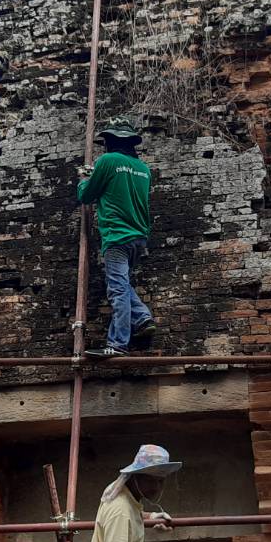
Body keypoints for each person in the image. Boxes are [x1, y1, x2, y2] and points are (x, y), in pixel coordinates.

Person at [76, 116, 156, 359]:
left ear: (109, 142)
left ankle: (119, 343)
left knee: (117, 289)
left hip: (117, 236)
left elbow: (87, 195)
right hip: (139, 238)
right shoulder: (144, 169)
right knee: (122, 283)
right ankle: (142, 318)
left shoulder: (108, 160)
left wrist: (83, 178)